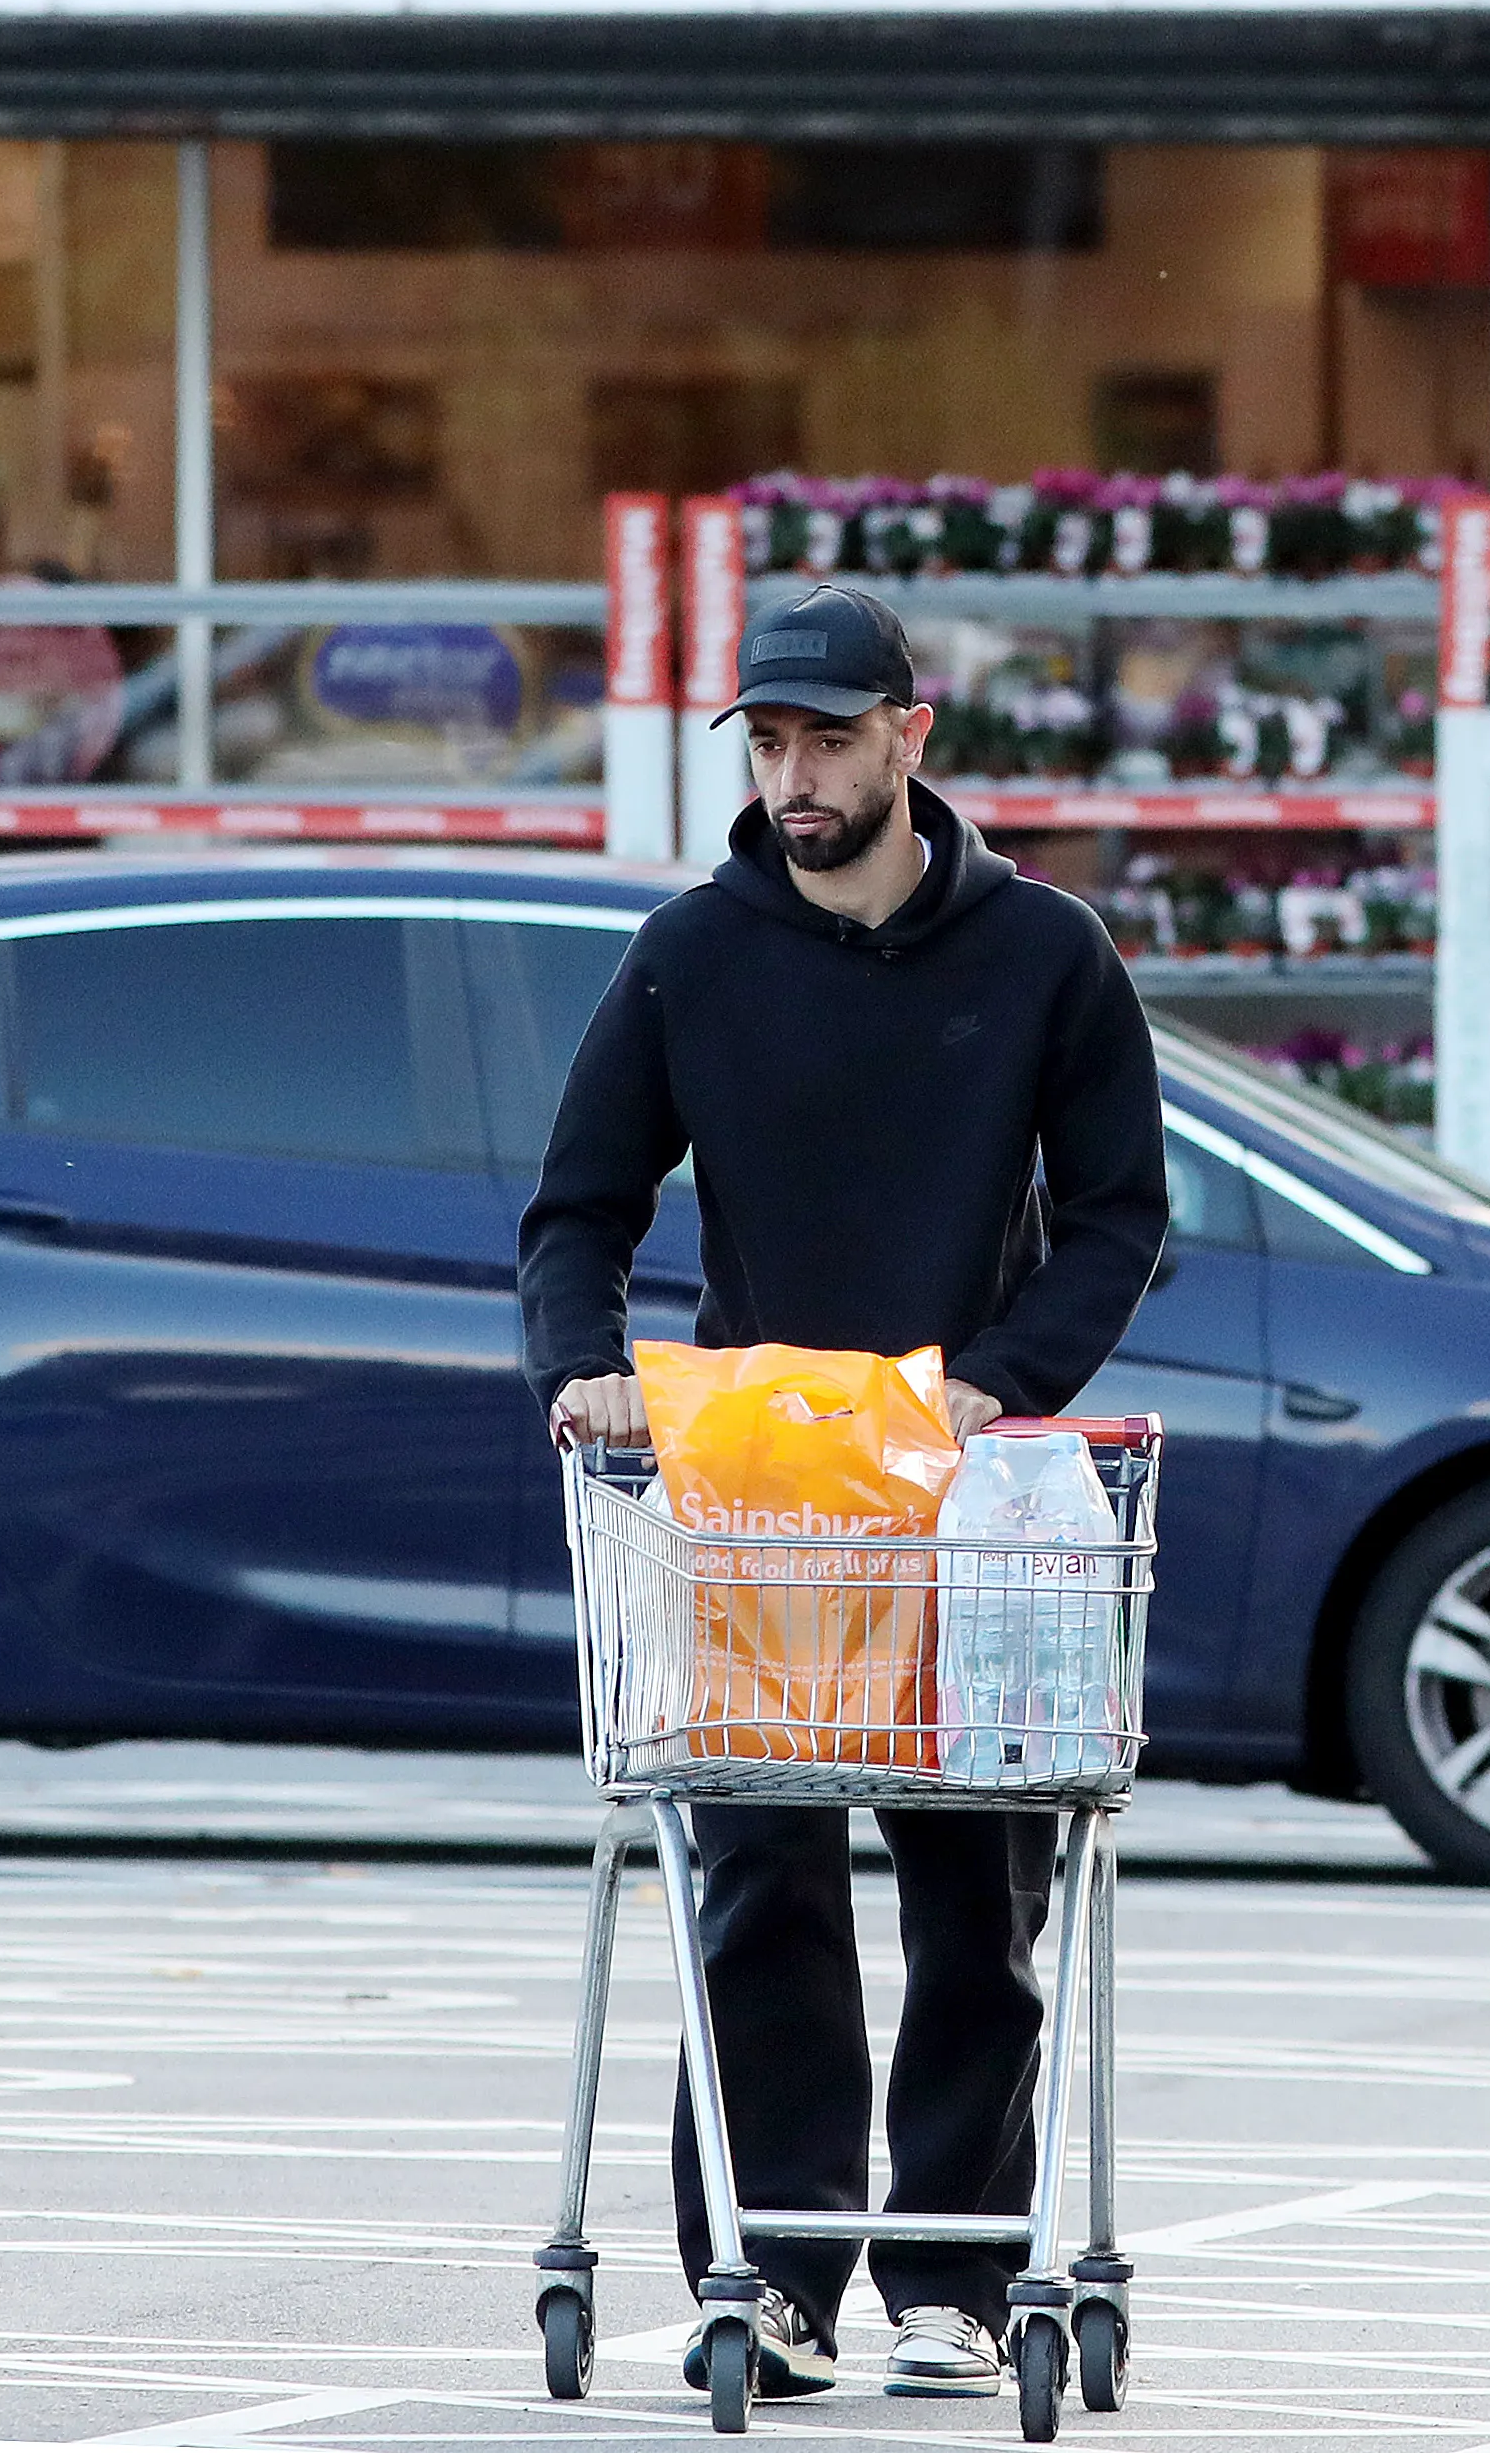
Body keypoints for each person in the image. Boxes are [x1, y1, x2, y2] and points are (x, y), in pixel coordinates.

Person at [520, 581, 1167, 2405]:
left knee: (983, 1891)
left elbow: (1120, 1209)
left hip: (969, 1499)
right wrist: (581, 1369)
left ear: (910, 737)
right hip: (753, 1491)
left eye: (825, 737)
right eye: (770, 743)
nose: (794, 776)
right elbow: (579, 1206)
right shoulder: (689, 955)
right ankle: (773, 2267)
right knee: (760, 1879)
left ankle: (957, 2269)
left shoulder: (1047, 954)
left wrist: (995, 1388)